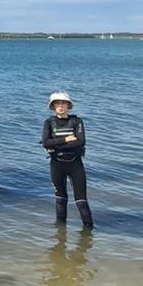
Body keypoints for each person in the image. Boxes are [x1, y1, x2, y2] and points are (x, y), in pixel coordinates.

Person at [42, 92, 93, 228]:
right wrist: (66, 139)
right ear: (53, 106)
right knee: (60, 200)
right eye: (57, 103)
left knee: (81, 202)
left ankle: (88, 236)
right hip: (57, 165)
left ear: (68, 106)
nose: (60, 106)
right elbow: (46, 143)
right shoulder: (49, 123)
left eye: (63, 103)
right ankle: (60, 237)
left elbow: (81, 141)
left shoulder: (77, 121)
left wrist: (56, 144)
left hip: (75, 165)